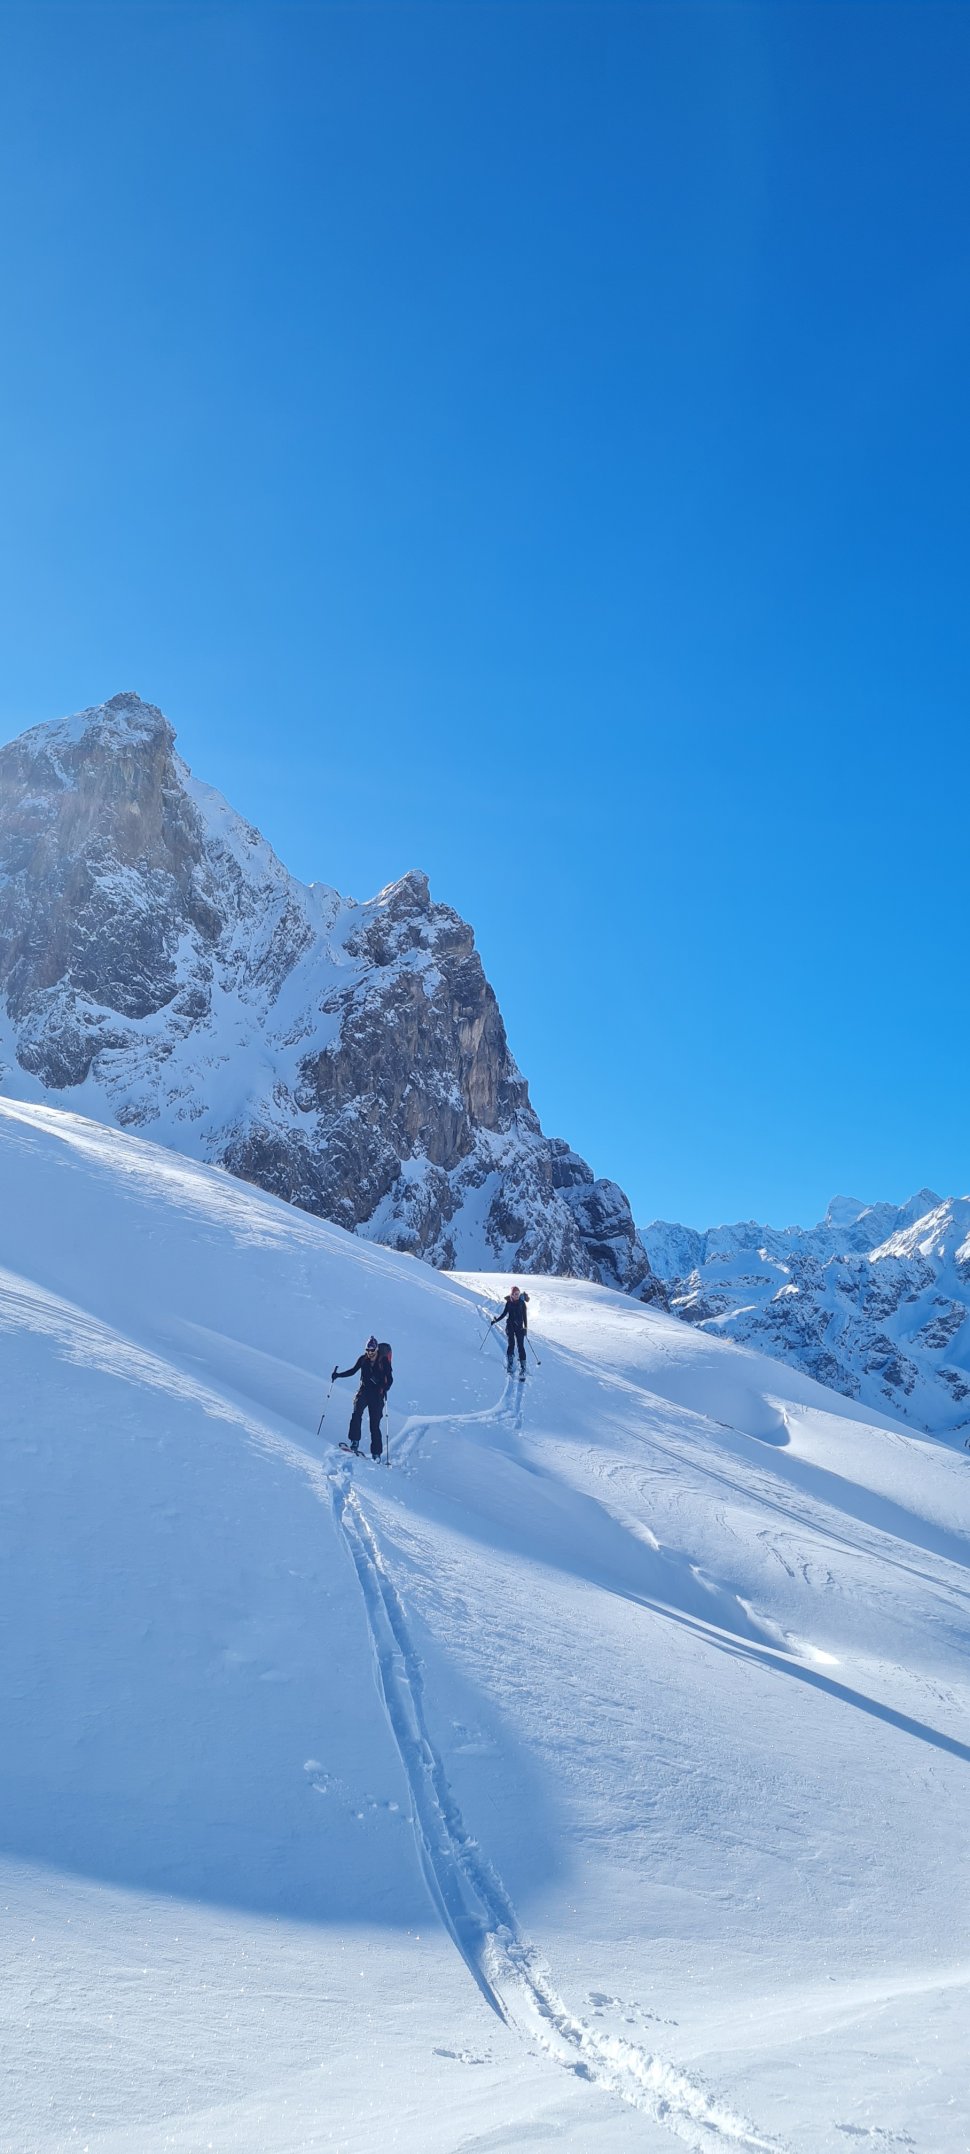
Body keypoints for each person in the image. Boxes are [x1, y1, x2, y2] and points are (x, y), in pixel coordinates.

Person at [332, 1336, 393, 1457]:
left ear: (376, 1350)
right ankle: (354, 1442)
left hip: (377, 1395)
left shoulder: (383, 1361)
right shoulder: (363, 1359)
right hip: (364, 1391)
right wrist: (338, 1375)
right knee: (356, 1413)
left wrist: (383, 1388)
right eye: (368, 1350)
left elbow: (390, 1379)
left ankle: (376, 1454)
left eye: (372, 1350)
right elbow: (353, 1371)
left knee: (374, 1424)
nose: (370, 1353)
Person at [490, 1286, 530, 1372]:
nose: (517, 1295)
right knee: (511, 1344)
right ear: (512, 1294)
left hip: (520, 1327)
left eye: (518, 1294)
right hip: (510, 1326)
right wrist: (496, 1320)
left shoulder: (522, 1303)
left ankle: (523, 1366)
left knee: (521, 1346)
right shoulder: (509, 1303)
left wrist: (525, 1327)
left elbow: (524, 1316)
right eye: (515, 1294)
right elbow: (504, 1314)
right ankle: (510, 1362)